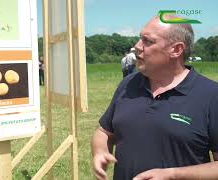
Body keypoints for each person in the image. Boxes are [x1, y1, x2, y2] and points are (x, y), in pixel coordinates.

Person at [91, 15, 218, 180]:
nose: (137, 46)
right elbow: (104, 132)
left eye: (148, 41)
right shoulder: (129, 84)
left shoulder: (210, 95)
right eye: (139, 38)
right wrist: (100, 151)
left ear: (176, 50)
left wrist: (173, 175)